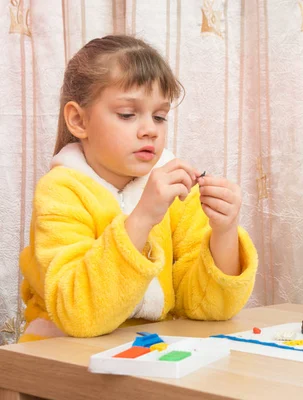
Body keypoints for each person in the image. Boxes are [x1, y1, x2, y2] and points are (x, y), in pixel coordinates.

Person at [19, 35, 258, 341]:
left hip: (146, 354)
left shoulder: (176, 193)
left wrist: (224, 232)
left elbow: (208, 307)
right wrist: (143, 217)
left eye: (160, 116)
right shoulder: (61, 191)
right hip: (60, 359)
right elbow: (77, 314)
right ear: (78, 120)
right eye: (128, 115)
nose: (150, 130)